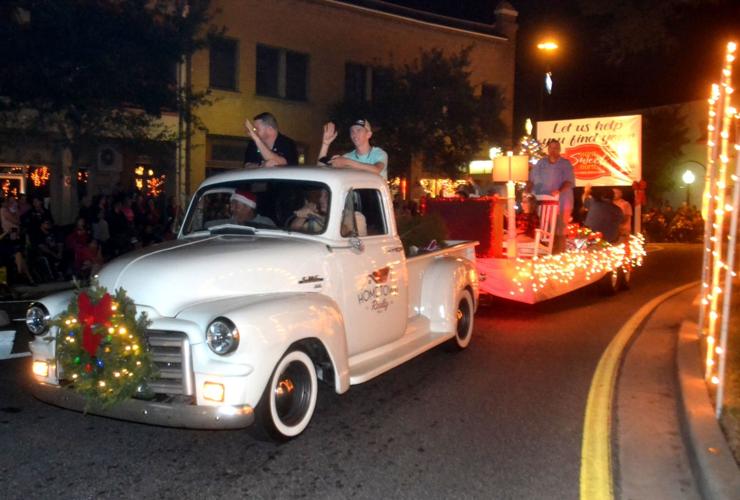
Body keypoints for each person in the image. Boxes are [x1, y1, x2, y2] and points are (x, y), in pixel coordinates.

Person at [528, 139, 575, 253]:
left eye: (556, 148)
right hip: (544, 204)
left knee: (560, 230)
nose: (553, 151)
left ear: (559, 150)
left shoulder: (565, 163)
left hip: (562, 202)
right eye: (551, 148)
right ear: (548, 149)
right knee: (545, 230)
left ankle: (559, 256)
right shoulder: (541, 163)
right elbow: (531, 180)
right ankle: (546, 254)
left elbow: (569, 181)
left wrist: (558, 190)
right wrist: (528, 191)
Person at [318, 119, 388, 179]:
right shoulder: (347, 157)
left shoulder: (379, 153)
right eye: (352, 131)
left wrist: (347, 162)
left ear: (368, 134)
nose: (354, 134)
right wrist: (325, 144)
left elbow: (376, 169)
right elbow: (321, 169)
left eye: (358, 130)